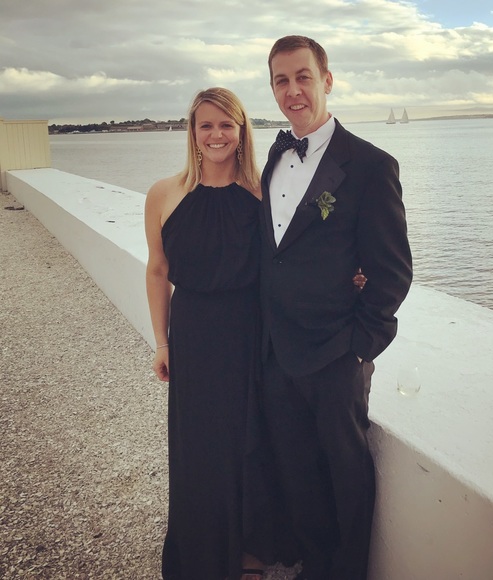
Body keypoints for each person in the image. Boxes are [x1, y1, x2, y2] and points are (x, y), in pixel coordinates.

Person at [258, 36, 413, 579]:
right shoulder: (273, 158)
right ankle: (314, 566)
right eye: (281, 80)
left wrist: (358, 349)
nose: (293, 91)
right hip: (278, 352)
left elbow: (392, 271)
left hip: (335, 355)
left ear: (326, 80)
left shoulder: (370, 165)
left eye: (303, 77)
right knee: (297, 471)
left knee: (346, 477)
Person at [144, 87, 266, 580]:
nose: (217, 135)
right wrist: (162, 342)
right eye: (206, 125)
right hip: (193, 333)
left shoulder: (262, 192)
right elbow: (157, 270)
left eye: (226, 125)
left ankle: (250, 549)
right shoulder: (164, 193)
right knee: (197, 445)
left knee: (248, 440)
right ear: (192, 133)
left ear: (241, 131)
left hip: (249, 332)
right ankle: (200, 548)